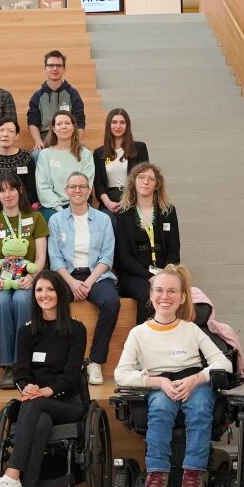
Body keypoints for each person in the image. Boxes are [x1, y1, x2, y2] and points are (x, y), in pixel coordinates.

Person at [114, 265, 231, 487]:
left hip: (193, 382)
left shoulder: (191, 329)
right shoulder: (138, 333)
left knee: (199, 407)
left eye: (171, 291)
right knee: (160, 408)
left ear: (182, 298)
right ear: (150, 295)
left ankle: (194, 476)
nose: (164, 296)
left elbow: (224, 363)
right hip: (160, 385)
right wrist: (159, 382)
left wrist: (196, 379)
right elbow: (121, 374)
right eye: (159, 290)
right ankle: (157, 474)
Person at [0, 270, 86, 487]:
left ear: (60, 294)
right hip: (36, 405)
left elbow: (72, 377)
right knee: (40, 420)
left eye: (50, 289)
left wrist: (45, 391)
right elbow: (20, 373)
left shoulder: (76, 330)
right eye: (39, 290)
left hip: (67, 404)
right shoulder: (26, 331)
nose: (44, 295)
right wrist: (26, 387)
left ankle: (11, 476)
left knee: (36, 406)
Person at [47, 171, 120, 385]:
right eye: (73, 187)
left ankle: (95, 361)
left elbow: (107, 257)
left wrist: (88, 283)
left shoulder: (103, 219)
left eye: (82, 186)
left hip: (96, 275)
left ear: (89, 191)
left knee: (112, 302)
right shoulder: (56, 220)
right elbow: (55, 259)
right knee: (51, 300)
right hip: (67, 275)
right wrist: (72, 283)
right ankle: (58, 361)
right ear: (66, 191)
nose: (77, 190)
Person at [0, 173, 48, 389]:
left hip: (28, 278)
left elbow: (41, 258)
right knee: (0, 302)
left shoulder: (36, 218)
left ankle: (22, 364)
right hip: (0, 278)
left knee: (22, 300)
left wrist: (32, 277)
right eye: (1, 190)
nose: (6, 194)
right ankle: (8, 366)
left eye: (11, 189)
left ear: (20, 190)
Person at [114, 163, 180, 324]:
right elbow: (123, 257)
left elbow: (174, 249)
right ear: (133, 182)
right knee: (148, 294)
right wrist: (150, 277)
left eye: (151, 179)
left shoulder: (168, 211)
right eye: (141, 177)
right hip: (135, 275)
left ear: (157, 185)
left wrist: (165, 274)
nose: (146, 182)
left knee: (175, 292)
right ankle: (146, 337)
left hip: (164, 271)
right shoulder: (124, 214)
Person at [35, 111, 94, 222]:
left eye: (67, 123)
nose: (63, 126)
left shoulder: (86, 154)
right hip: (53, 206)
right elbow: (43, 187)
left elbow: (86, 185)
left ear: (73, 128)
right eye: (59, 124)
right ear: (53, 129)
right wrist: (60, 209)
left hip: (79, 203)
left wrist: (74, 207)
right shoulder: (45, 154)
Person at [26, 50, 85, 154]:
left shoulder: (73, 94)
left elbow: (80, 121)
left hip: (70, 141)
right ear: (45, 69)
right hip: (46, 142)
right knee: (36, 155)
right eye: (50, 65)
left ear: (64, 69)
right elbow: (32, 122)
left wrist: (78, 142)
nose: (54, 69)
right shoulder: (37, 96)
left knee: (85, 153)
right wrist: (38, 141)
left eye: (58, 65)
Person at [93, 108, 149, 214]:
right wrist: (108, 203)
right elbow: (98, 184)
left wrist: (126, 200)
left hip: (133, 199)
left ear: (127, 125)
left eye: (122, 122)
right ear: (109, 125)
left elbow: (144, 178)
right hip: (108, 202)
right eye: (114, 122)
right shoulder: (99, 153)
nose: (118, 126)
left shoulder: (139, 148)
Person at [0, 116, 37, 211]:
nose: (5, 134)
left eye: (10, 131)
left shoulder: (27, 157)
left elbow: (32, 190)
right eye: (1, 130)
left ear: (17, 135)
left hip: (22, 207)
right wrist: (0, 208)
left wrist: (17, 207)